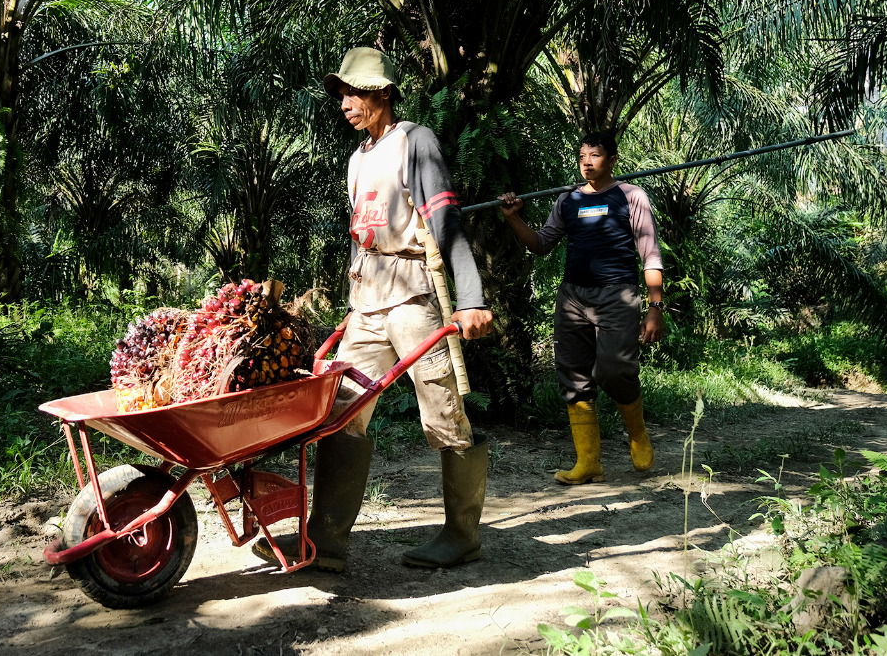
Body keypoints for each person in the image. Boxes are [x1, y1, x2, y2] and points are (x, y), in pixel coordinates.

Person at [255, 46, 494, 571]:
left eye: (354, 92)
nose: (344, 103)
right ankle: (325, 541)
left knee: (442, 411)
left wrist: (472, 298)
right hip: (368, 300)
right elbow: (361, 235)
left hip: (413, 297)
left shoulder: (415, 141)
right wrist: (353, 296)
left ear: (383, 93)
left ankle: (462, 535)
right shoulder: (358, 158)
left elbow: (446, 220)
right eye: (341, 94)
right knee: (341, 411)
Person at [497, 132, 664, 485]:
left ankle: (638, 434)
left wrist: (655, 307)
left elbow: (649, 253)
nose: (587, 162)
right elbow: (542, 243)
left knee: (615, 370)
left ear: (613, 160)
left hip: (617, 296)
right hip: (573, 297)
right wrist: (513, 218)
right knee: (573, 376)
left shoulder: (631, 196)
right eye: (582, 155)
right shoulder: (568, 200)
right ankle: (588, 462)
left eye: (595, 155)